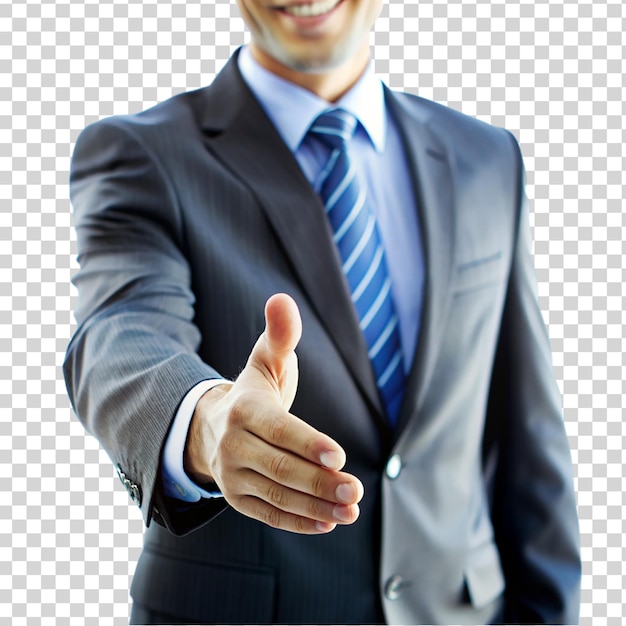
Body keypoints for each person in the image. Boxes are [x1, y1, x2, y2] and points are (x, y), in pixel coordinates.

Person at [64, 0, 581, 623]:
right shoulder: (142, 153)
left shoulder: (487, 157)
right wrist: (206, 420)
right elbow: (119, 331)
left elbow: (527, 432)